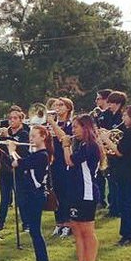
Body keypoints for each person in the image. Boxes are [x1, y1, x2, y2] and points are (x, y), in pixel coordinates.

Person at [6, 125, 54, 261]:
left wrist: (12, 150)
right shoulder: (37, 154)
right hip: (31, 195)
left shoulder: (42, 155)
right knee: (34, 231)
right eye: (30, 136)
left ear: (43, 137)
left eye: (34, 136)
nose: (31, 139)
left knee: (36, 231)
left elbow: (18, 164)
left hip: (36, 195)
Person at [59, 114, 104, 261]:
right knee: (76, 229)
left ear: (85, 127)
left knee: (87, 230)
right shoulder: (81, 145)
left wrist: (65, 146)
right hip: (75, 192)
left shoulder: (90, 146)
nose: (73, 130)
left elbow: (70, 161)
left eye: (76, 127)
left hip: (87, 193)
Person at [104, 104, 131, 246]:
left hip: (127, 170)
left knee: (126, 203)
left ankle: (129, 234)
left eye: (125, 115)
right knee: (130, 201)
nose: (123, 118)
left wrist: (106, 139)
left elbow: (120, 151)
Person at [0, 106, 29, 234]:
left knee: (21, 198)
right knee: (4, 199)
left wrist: (8, 137)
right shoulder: (5, 133)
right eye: (10, 118)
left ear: (21, 120)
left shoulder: (24, 134)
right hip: (5, 169)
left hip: (18, 170)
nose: (12, 121)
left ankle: (26, 223)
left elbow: (23, 151)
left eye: (15, 118)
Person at [48, 97, 76, 238]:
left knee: (66, 193)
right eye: (56, 105)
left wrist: (52, 123)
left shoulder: (70, 124)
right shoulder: (53, 124)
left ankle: (68, 223)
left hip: (65, 161)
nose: (57, 107)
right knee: (56, 193)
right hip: (53, 161)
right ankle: (58, 222)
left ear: (68, 108)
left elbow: (64, 138)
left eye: (61, 105)